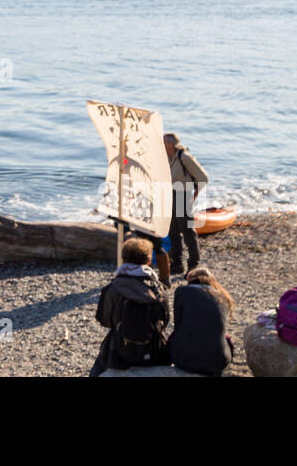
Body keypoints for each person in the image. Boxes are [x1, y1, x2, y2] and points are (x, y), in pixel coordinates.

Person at [88, 237, 170, 377]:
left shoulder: (112, 288)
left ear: (123, 259)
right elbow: (165, 319)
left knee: (96, 372)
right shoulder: (158, 289)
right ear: (149, 261)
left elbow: (104, 320)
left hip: (119, 352)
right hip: (154, 352)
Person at [167, 267, 234, 376]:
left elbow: (178, 325)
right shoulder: (223, 297)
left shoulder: (182, 291)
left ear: (190, 280)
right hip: (218, 361)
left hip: (185, 360)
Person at [164, 132, 208, 276]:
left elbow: (203, 177)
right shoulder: (166, 157)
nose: (162, 145)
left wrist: (194, 195)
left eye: (164, 142)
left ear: (171, 144)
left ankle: (194, 264)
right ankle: (176, 263)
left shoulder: (185, 157)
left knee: (187, 230)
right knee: (172, 231)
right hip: (170, 194)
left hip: (183, 194)